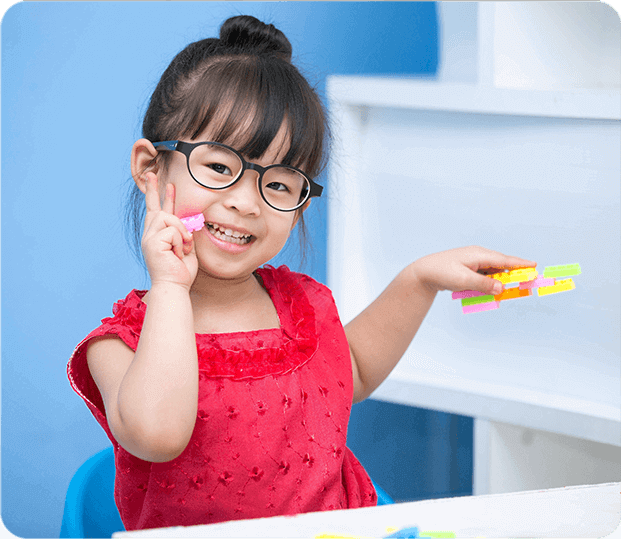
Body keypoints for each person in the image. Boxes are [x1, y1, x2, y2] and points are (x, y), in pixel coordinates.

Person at [67, 14, 536, 531]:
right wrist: (173, 286)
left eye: (281, 183)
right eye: (220, 167)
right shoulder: (119, 345)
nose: (247, 202)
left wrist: (419, 279)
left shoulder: (302, 304)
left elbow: (348, 372)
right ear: (151, 170)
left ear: (300, 204)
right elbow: (157, 432)